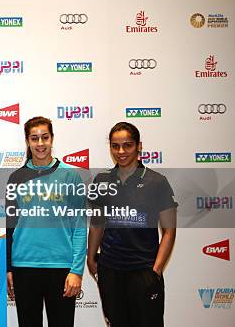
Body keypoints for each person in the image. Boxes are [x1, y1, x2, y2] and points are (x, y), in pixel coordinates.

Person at [87, 122, 177, 327]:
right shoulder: (102, 180)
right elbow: (97, 223)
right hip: (110, 270)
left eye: (127, 145)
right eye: (115, 146)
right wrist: (91, 257)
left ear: (139, 146)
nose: (121, 151)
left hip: (144, 271)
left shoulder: (157, 181)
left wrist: (156, 270)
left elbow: (169, 231)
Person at [6, 116, 87, 327]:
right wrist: (8, 268)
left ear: (52, 139)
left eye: (45, 137)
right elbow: (9, 226)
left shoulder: (70, 176)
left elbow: (79, 227)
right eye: (34, 138)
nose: (40, 144)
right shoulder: (16, 178)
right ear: (27, 141)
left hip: (61, 267)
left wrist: (76, 270)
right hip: (24, 265)